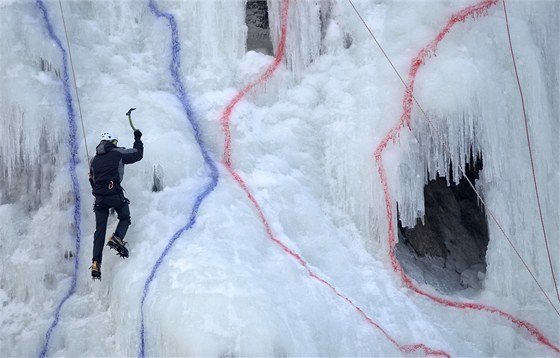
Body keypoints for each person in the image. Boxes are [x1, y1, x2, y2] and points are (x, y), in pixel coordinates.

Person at [89, 129, 143, 279]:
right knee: (125, 217)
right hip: (114, 195)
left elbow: (92, 180)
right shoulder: (118, 153)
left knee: (99, 231)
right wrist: (137, 138)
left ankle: (95, 264)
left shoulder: (94, 160)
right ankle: (117, 237)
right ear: (113, 142)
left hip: (99, 199)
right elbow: (138, 154)